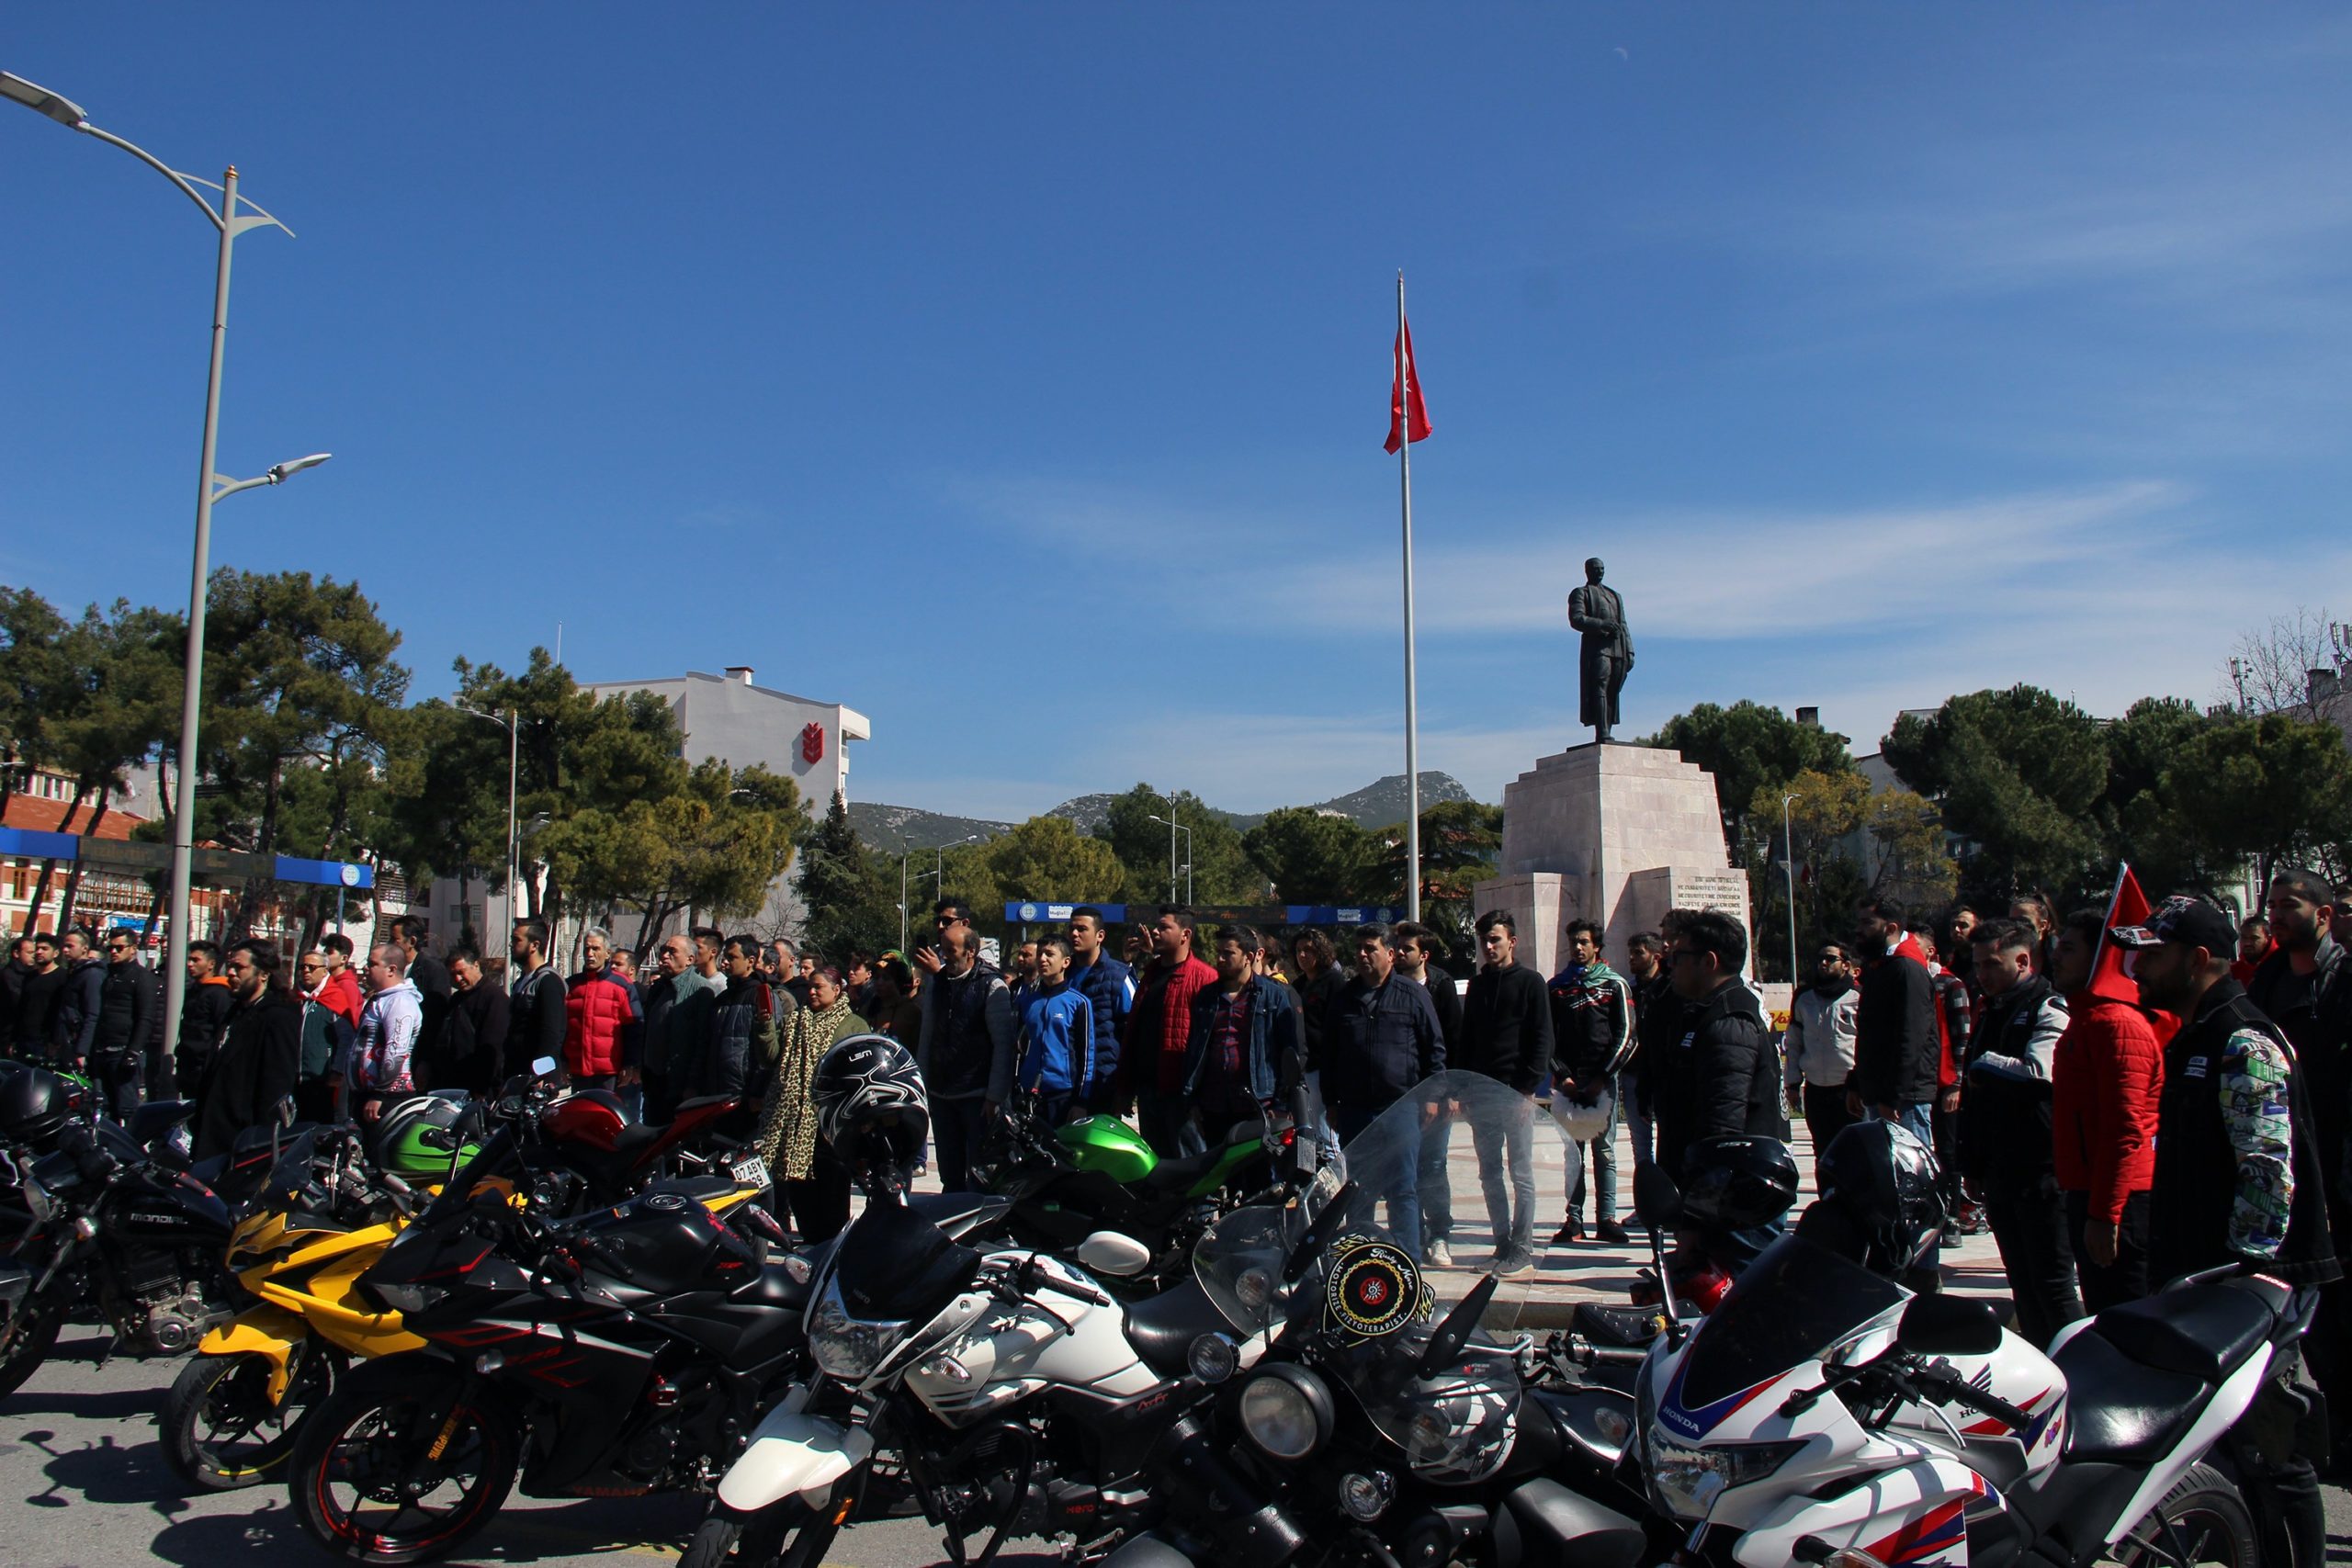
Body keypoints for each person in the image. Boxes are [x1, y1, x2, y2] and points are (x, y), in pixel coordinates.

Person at [2110, 893, 2341, 1568]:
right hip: (2206, 1289)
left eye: (2153, 952)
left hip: (2251, 1294)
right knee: (2231, 1457)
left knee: (2273, 1455)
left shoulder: (2243, 1038)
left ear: (2199, 958)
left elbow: (2268, 1175)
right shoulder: (2194, 1036)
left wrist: (2243, 1284)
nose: (2137, 965)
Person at [2242, 869, 2350, 1461]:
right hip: (2292, 1168)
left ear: (2324, 916)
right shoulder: (2266, 985)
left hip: (2341, 1168)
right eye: (2273, 906)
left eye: (2290, 906)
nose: (2277, 916)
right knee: (2313, 1317)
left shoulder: (2345, 981)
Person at [1962, 919, 2080, 1348]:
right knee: (2023, 1283)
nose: (1983, 974)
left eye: (1992, 964)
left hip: (2041, 1168)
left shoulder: (2048, 1005)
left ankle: (2076, 1366)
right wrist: (1972, 1163)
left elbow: (2039, 1074)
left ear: (2023, 960)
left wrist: (1984, 1066)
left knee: (2053, 1283)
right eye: (1977, 965)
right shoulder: (1990, 1007)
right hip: (1999, 1168)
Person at [1654, 910, 1784, 1270]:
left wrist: (1696, 1219)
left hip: (1736, 1205)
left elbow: (1722, 1134)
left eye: (1678, 957)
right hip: (1719, 1202)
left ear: (1708, 961)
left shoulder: (1729, 1021)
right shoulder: (1704, 1012)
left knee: (1741, 1310)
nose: (1669, 965)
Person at [2046, 908, 2162, 1311]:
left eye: (2069, 948)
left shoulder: (2116, 1025)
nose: (2056, 956)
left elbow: (2125, 1128)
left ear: (2098, 959)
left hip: (2121, 1201)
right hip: (2091, 1193)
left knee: (2129, 1320)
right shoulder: (2087, 1019)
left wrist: (2105, 1214)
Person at [1323, 924, 1447, 1262]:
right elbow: (1329, 1055)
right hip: (1355, 1111)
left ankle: (1408, 1262)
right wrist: (1331, 1101)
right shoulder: (1344, 999)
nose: (1363, 954)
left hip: (1400, 1108)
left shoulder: (1412, 995)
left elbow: (1433, 1051)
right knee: (1358, 1192)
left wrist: (1433, 1097)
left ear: (1390, 954)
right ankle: (1360, 1260)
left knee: (1402, 1189)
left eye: (1371, 948)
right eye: (1359, 948)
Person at [756, 960, 861, 1242]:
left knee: (831, 1198)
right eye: (811, 988)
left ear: (837, 990)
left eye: (819, 987)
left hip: (828, 1126)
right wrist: (765, 1026)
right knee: (801, 1198)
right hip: (792, 1124)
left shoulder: (852, 1024)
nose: (812, 993)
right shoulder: (796, 1020)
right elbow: (770, 1058)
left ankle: (831, 1253)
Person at [1548, 919, 1632, 1247]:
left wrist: (1602, 1076)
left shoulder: (1614, 985)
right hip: (1569, 1081)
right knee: (1573, 1152)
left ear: (1596, 945)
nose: (1578, 948)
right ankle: (1574, 1220)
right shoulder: (1557, 986)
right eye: (1573, 942)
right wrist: (1562, 1074)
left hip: (1602, 1081)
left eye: (1584, 942)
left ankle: (1607, 1218)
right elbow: (1547, 1037)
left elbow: (1626, 1035)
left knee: (1605, 1151)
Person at [917, 923, 1014, 1191]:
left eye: (951, 950)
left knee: (979, 1176)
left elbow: (1003, 1046)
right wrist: (923, 1086)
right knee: (950, 1175)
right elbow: (927, 1037)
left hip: (976, 1098)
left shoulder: (991, 986)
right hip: (941, 1095)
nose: (944, 956)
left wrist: (994, 1096)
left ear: (970, 952)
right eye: (942, 949)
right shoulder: (937, 984)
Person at [1179, 926, 1297, 1142]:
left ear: (1248, 957)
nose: (1220, 959)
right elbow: (1194, 1050)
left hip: (1258, 1105)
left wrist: (1281, 1104)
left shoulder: (1273, 997)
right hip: (1213, 1106)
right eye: (1219, 952)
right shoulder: (1207, 997)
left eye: (1228, 953)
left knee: (1256, 1174)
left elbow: (1288, 1053)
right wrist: (1192, 1102)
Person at [1121, 910, 1218, 1158]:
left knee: (1189, 1166)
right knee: (1155, 1165)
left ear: (1185, 935)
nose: (1155, 932)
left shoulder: (1204, 978)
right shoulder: (1151, 975)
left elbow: (1211, 1039)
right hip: (1148, 1089)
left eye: (1164, 927)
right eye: (1156, 926)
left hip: (1181, 1096)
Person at [193, 941, 300, 1160]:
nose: (231, 973)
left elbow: (276, 1085)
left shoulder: (277, 1016)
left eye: (240, 968)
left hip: (243, 1139)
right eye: (230, 966)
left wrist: (258, 1142)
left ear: (263, 974)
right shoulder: (235, 1011)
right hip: (214, 1131)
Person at [1847, 896, 1939, 1148]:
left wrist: (1894, 1097)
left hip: (1903, 1100)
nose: (1859, 930)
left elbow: (1911, 1037)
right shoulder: (1879, 968)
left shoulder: (1907, 969)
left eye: (1868, 923)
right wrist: (1857, 1082)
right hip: (1880, 1093)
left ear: (1891, 928)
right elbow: (1872, 1036)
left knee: (1909, 1177)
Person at [683, 934, 780, 1122]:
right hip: (714, 1093)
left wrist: (759, 1092)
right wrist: (694, 1083)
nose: (725, 962)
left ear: (750, 961)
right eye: (725, 957)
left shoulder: (762, 997)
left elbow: (768, 1050)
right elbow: (704, 1044)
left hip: (744, 1096)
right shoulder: (721, 999)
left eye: (732, 957)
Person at [1784, 942, 1860, 1184]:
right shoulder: (1804, 998)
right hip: (1816, 1089)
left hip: (1850, 1090)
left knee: (1854, 1151)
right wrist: (1792, 1083)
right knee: (1823, 1152)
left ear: (1846, 965)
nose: (1823, 963)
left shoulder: (1859, 996)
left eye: (1830, 958)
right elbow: (1793, 1043)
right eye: (1820, 959)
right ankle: (1827, 1202)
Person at [1015, 935, 1096, 1125]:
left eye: (1050, 954)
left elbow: (1087, 1055)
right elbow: (1018, 1050)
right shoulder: (1027, 1002)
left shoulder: (1078, 1003)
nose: (1042, 959)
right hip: (1029, 1092)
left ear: (1066, 962)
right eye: (1040, 954)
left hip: (1063, 1094)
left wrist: (1081, 1101)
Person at [1065, 907, 1134, 1110]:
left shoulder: (1119, 976)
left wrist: (1124, 1088)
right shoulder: (1062, 975)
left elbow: (1131, 1033)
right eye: (1071, 928)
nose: (1074, 934)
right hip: (1065, 1083)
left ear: (1100, 935)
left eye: (1082, 929)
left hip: (1103, 1084)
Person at [562, 927, 641, 1099]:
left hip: (610, 1073)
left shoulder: (622, 985)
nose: (590, 954)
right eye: (587, 949)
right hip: (578, 1071)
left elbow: (634, 1028)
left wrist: (630, 1064)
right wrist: (563, 1061)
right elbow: (563, 1028)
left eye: (595, 949)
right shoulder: (571, 985)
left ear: (607, 954)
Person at [348, 944, 422, 1123]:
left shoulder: (400, 1002)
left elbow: (396, 1050)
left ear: (391, 969)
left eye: (372, 963)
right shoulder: (382, 998)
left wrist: (380, 1095)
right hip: (367, 1095)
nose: (366, 968)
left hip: (387, 1098)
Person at [639, 933, 707, 1121]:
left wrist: (692, 1084)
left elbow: (703, 1042)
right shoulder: (658, 988)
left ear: (689, 960)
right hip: (654, 1083)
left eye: (672, 951)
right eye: (663, 950)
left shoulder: (701, 991)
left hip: (680, 1086)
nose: (665, 955)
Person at [1622, 927, 1673, 1170]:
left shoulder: (1670, 989)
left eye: (1638, 953)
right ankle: (1646, 1198)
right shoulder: (1627, 990)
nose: (1631, 958)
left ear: (1655, 956)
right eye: (1630, 952)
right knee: (1640, 1144)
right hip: (1635, 1072)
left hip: (1665, 1074)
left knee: (1669, 1139)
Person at [91, 929, 155, 1115]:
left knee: (126, 1108)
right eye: (110, 948)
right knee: (102, 1106)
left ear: (133, 949)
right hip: (102, 1049)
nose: (113, 952)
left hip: (123, 1050)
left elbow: (146, 1018)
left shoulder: (142, 977)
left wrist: (133, 1052)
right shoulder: (108, 975)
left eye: (119, 948)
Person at [438, 943, 510, 1097]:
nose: (458, 979)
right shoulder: (456, 999)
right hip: (454, 1083)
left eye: (461, 972)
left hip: (480, 1089)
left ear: (476, 965)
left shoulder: (494, 998)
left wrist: (483, 1087)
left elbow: (493, 1048)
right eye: (452, 975)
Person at [293, 950, 352, 1122]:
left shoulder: (334, 998)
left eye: (311, 967)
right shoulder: (296, 999)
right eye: (302, 967)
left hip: (321, 1079)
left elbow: (346, 1038)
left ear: (325, 970)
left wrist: (337, 1070)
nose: (306, 971)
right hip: (295, 1079)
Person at [392, 915, 453, 1082]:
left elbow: (436, 1019)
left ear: (411, 941)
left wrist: (426, 1060)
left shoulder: (432, 970)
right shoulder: (394, 969)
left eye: (395, 939)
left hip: (419, 1053)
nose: (391, 944)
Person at [507, 918, 568, 1076]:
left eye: (517, 940)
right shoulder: (522, 981)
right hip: (517, 1072)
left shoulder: (548, 981)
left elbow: (552, 1032)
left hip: (536, 1080)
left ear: (534, 945)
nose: (511, 945)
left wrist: (542, 1074)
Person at [176, 940, 236, 1091]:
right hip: (187, 1067)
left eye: (196, 960)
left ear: (211, 964)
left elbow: (222, 1031)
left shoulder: (220, 993)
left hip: (205, 1069)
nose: (190, 964)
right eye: (189, 959)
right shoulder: (193, 991)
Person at [1290, 930, 1347, 1087]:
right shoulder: (1297, 985)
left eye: (1308, 950)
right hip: (1302, 1066)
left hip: (1326, 1066)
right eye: (1298, 951)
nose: (1302, 955)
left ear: (1321, 951)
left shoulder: (1334, 981)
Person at [51, 926, 105, 1072]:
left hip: (78, 1044)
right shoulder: (73, 972)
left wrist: (82, 1051)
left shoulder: (91, 974)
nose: (65, 950)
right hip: (66, 1041)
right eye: (64, 946)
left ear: (84, 948)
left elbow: (92, 1014)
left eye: (70, 946)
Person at [11, 932, 65, 1063]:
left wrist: (54, 1041)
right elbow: (21, 1009)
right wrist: (13, 1039)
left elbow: (60, 1013)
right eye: (37, 949)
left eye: (45, 949)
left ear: (56, 953)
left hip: (45, 1042)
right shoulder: (30, 977)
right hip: (23, 1039)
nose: (39, 952)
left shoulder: (63, 977)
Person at [0, 934, 29, 1055]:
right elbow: (16, 1001)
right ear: (16, 953)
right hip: (6, 1034)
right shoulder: (7, 976)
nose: (34, 955)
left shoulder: (30, 975)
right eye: (29, 952)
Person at [2232, 914, 2273, 985]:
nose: (2247, 943)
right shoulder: (2234, 971)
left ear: (2267, 938)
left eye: (2254, 938)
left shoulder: (2283, 965)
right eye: (2244, 937)